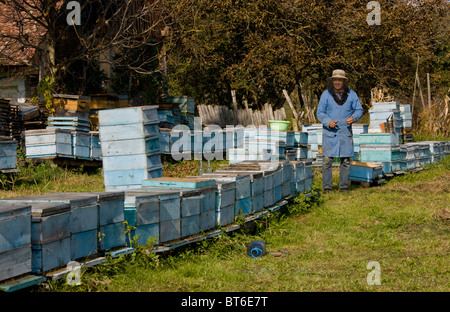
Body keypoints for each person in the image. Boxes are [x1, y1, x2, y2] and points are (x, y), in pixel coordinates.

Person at [316, 69, 363, 193]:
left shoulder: (352, 94)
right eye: (335, 80)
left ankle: (344, 187)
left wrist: (353, 117)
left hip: (345, 132)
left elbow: (359, 109)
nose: (337, 82)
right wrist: (327, 122)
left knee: (346, 161)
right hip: (329, 133)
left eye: (340, 80)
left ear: (344, 81)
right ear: (332, 81)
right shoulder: (326, 94)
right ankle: (327, 188)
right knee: (327, 161)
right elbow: (320, 112)